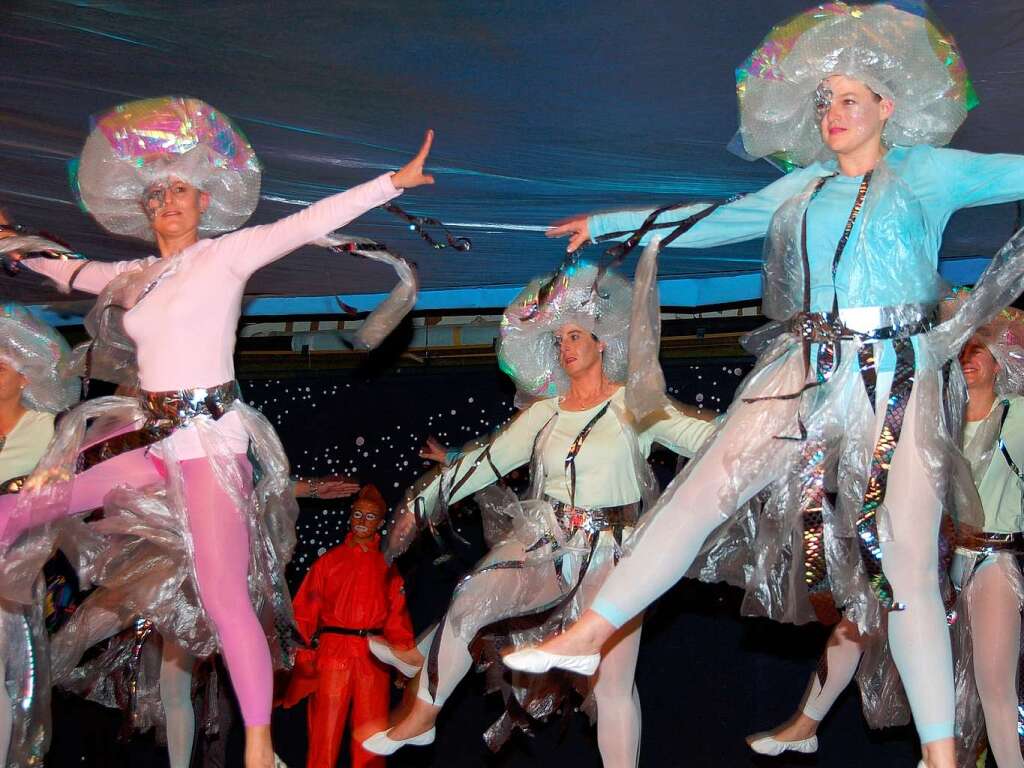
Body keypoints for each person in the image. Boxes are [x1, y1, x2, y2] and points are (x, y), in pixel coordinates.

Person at [504, 5, 1024, 767]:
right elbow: (711, 219)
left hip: (895, 372)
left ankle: (941, 754)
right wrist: (615, 221)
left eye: (851, 98)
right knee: (701, 490)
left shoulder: (930, 172)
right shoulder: (804, 185)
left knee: (908, 562)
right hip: (804, 368)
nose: (834, 113)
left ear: (887, 105)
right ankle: (591, 630)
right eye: (824, 100)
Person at [0, 96, 436, 768]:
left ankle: (259, 748)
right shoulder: (131, 277)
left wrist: (390, 184)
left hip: (211, 445)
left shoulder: (227, 257)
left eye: (179, 189)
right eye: (155, 194)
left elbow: (306, 223)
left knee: (223, 590)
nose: (166, 201)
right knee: (44, 498)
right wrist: (12, 242)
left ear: (204, 200)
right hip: (152, 440)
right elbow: (68, 268)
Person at [363, 246, 717, 767]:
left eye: (574, 335)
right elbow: (482, 462)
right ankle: (422, 716)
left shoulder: (635, 403)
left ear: (602, 341)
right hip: (544, 545)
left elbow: (703, 436)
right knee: (470, 600)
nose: (565, 346)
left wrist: (765, 432)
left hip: (614, 556)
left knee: (612, 684)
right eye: (558, 340)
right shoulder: (544, 414)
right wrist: (422, 501)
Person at [281, 484, 415, 768]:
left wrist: (404, 659)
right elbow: (304, 613)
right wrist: (299, 656)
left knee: (372, 736)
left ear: (380, 523)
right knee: (324, 734)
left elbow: (397, 619)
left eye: (369, 517)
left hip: (373, 657)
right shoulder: (327, 563)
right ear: (350, 517)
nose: (361, 522)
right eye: (357, 515)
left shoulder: (386, 567)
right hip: (333, 654)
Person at [0, 298, 80, 767]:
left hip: (16, 572)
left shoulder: (48, 428)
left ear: (26, 376)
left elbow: (66, 499)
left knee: (12, 682)